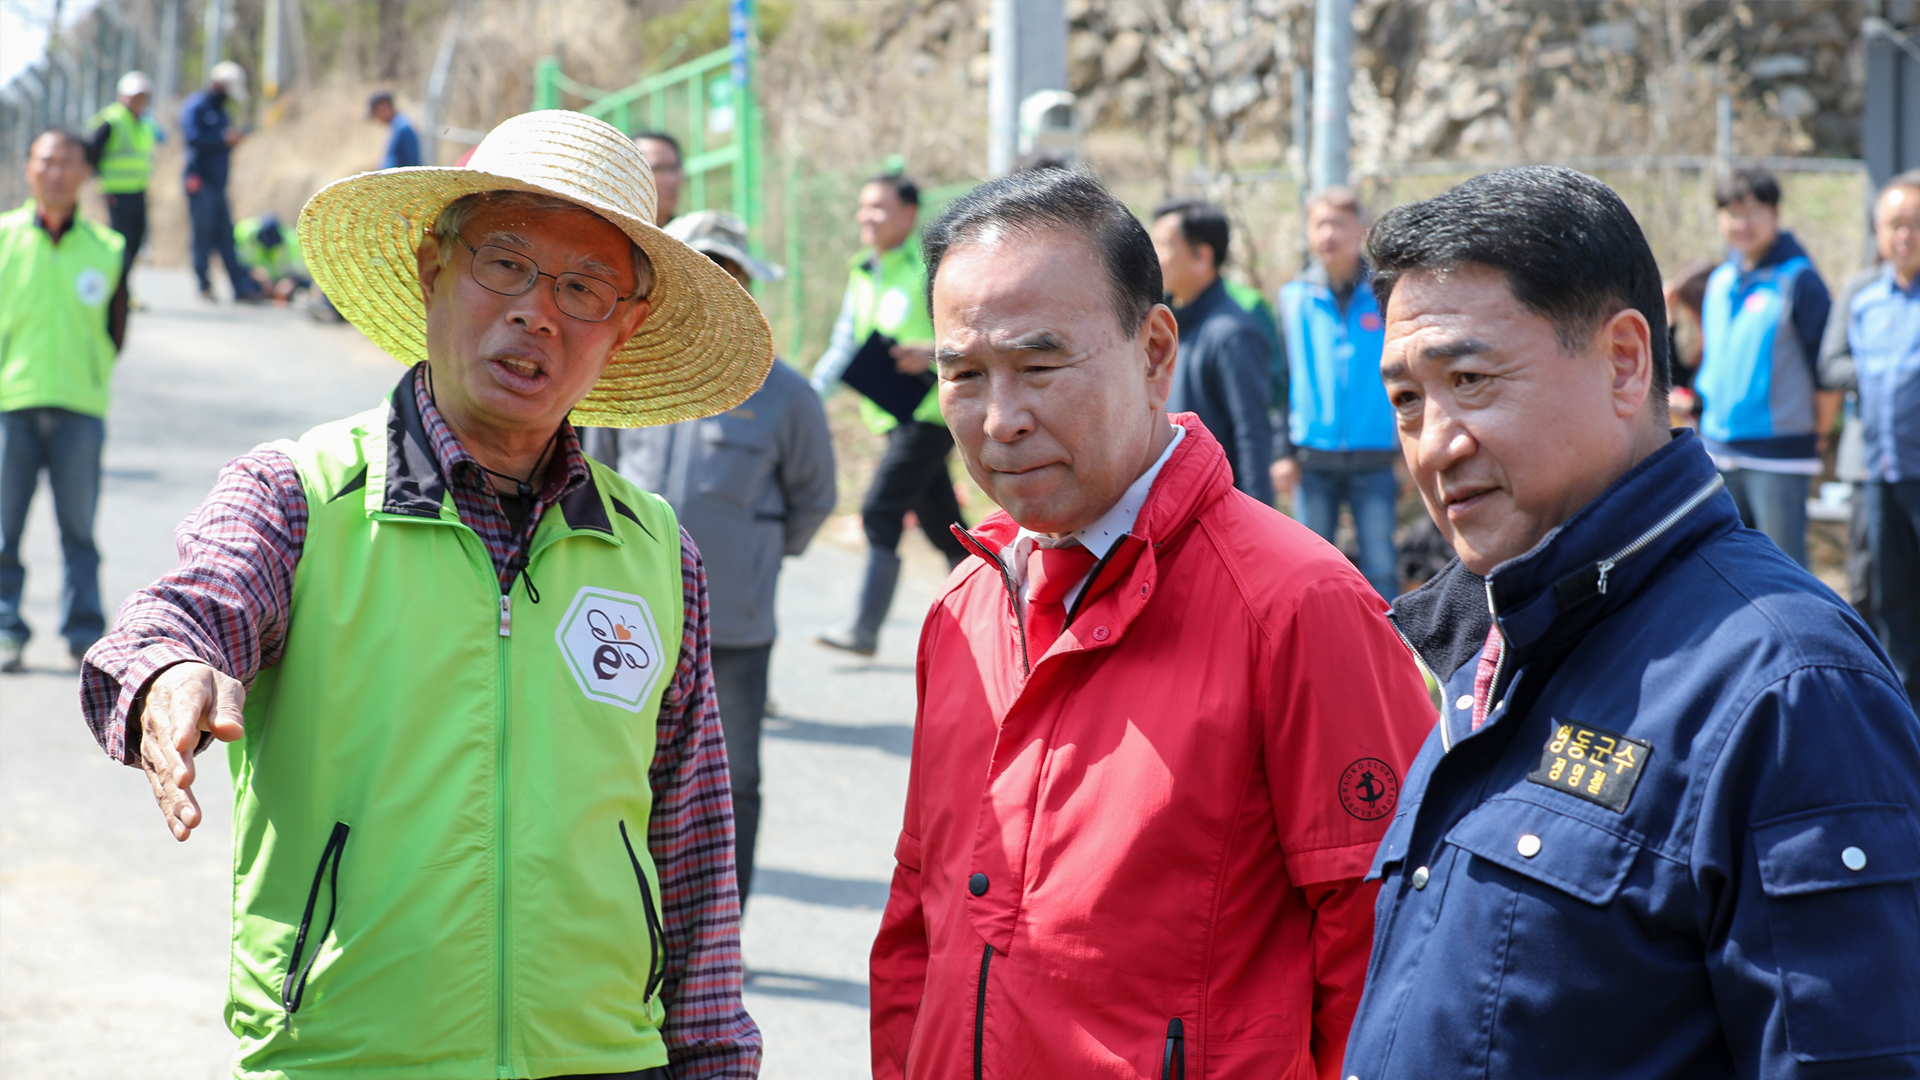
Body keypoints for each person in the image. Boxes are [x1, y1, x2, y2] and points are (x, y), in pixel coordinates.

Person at [77, 110, 765, 1078]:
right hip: (347, 1057)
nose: (538, 312)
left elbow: (691, 843)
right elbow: (190, 607)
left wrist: (714, 1057)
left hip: (606, 1058)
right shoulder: (300, 495)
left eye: (584, 286)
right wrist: (171, 672)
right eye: (507, 266)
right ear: (432, 267)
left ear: (626, 326)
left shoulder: (656, 551)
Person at [1343, 166, 1920, 1080]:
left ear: (1623, 360)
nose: (1435, 443)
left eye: (1470, 378)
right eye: (1408, 399)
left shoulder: (1789, 687)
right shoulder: (1490, 637)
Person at [870, 167, 1433, 1079]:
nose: (1000, 419)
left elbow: (1387, 956)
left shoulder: (1297, 605)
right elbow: (918, 918)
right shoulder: (965, 609)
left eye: (1040, 365)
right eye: (964, 375)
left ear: (1154, 349)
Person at [591, 209, 836, 903]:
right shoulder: (627, 378)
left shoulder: (786, 395)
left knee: (734, 782)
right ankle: (630, 920)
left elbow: (812, 497)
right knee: (617, 767)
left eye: (728, 272)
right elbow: (597, 478)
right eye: (701, 270)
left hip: (733, 627)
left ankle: (722, 924)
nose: (715, 286)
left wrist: (754, 560)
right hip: (625, 618)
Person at [812, 173, 969, 656]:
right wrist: (807, 398)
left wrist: (933, 351)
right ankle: (997, 609)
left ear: (908, 214)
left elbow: (968, 334)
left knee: (881, 510)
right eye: (864, 206)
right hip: (890, 415)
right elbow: (843, 343)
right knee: (944, 524)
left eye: (879, 207)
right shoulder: (862, 271)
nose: (867, 216)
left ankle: (865, 629)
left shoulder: (930, 270)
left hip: (930, 413)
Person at [0, 130, 127, 674]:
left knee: (79, 530)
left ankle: (83, 634)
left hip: (81, 408)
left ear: (84, 173)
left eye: (67, 162)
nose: (55, 172)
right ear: (29, 169)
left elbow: (117, 328)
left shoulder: (109, 248)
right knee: (5, 528)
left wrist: (92, 370)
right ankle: (6, 628)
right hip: (12, 403)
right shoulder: (4, 237)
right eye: (46, 161)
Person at [1694, 167, 1835, 567]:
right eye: (1732, 213)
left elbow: (1825, 370)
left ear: (1775, 214)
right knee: (1720, 568)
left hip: (1780, 455)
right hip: (1718, 451)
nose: (1743, 224)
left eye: (1754, 211)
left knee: (1781, 568)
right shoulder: (1720, 280)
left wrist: (1819, 432)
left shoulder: (1800, 279)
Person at [1270, 187, 1399, 599]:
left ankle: (1396, 654)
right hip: (1312, 457)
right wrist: (1282, 453)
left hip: (1377, 453)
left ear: (1360, 229)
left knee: (1380, 563)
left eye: (1337, 223)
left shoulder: (1385, 295)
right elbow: (1281, 382)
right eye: (1319, 224)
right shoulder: (1293, 299)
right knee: (1308, 565)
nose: (1328, 234)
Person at [1821, 171, 1920, 705]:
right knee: (1887, 594)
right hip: (1879, 470)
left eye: (1915, 225)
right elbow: (1829, 365)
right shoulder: (1861, 294)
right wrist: (1877, 373)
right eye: (1895, 225)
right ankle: (1902, 705)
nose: (1904, 236)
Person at [1150, 198, 1277, 503]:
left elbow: (1252, 435)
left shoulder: (1232, 333)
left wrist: (1255, 518)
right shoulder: (1170, 323)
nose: (1156, 257)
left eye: (1166, 245)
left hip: (1214, 506)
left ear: (1201, 257)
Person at [180, 60, 263, 303]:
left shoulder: (222, 112)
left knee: (227, 235)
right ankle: (203, 284)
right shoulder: (196, 107)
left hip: (218, 183)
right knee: (202, 234)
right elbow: (193, 138)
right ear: (218, 85)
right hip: (199, 180)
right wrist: (222, 139)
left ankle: (241, 287)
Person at [86, 70, 162, 283]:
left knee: (136, 241)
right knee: (120, 243)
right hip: (115, 192)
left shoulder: (146, 123)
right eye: (134, 95)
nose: (138, 100)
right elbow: (92, 152)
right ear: (122, 95)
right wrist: (99, 181)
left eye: (142, 96)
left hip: (138, 190)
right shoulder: (111, 120)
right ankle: (117, 288)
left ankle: (123, 287)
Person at [234, 211, 310, 301]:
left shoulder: (292, 240)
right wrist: (258, 276)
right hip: (256, 277)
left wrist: (290, 281)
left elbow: (299, 271)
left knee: (304, 284)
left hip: (279, 279)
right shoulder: (244, 232)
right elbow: (239, 261)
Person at [634, 132, 683, 225]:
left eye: (674, 168)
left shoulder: (691, 233)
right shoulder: (610, 235)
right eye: (658, 169)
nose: (671, 180)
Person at [368, 89, 423, 169]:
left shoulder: (402, 128)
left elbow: (411, 164)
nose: (377, 119)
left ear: (383, 106)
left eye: (376, 113)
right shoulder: (397, 126)